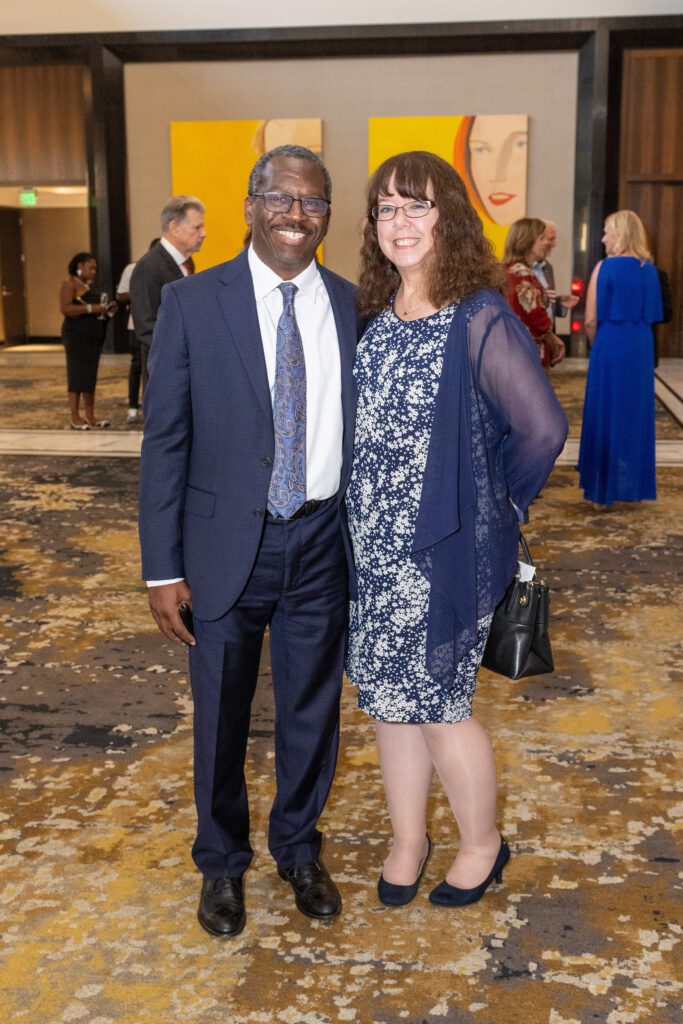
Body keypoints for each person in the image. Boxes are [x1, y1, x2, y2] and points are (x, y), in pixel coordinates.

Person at [138, 145, 361, 938]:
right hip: (221, 550)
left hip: (321, 544)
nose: (296, 215)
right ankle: (221, 864)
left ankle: (298, 848)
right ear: (250, 204)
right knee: (220, 718)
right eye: (281, 199)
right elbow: (165, 442)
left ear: (327, 215)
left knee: (311, 712)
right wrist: (161, 568)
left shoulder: (348, 301)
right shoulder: (195, 304)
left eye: (313, 202)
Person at [347, 151, 567, 910]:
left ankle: (481, 844)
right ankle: (408, 839)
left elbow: (539, 428)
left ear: (449, 219)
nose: (399, 223)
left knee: (440, 706)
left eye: (417, 206)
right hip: (371, 548)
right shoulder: (374, 317)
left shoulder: (476, 316)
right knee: (386, 699)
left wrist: (498, 507)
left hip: (442, 551)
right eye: (386, 208)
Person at [578, 210, 663, 510]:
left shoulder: (604, 267)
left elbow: (590, 319)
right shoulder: (648, 268)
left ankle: (602, 489)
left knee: (605, 413)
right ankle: (632, 485)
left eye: (606, 232)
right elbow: (653, 314)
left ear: (621, 234)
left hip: (610, 344)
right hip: (640, 346)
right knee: (634, 415)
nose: (602, 238)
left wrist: (596, 345)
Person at [130, 196, 206, 389]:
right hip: (164, 375)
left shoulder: (187, 263)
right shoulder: (148, 266)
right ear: (174, 227)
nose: (204, 234)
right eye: (197, 228)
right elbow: (146, 327)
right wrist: (187, 350)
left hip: (187, 372)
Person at [59, 252, 116, 429]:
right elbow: (66, 308)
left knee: (90, 375)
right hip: (75, 336)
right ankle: (74, 416)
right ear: (79, 266)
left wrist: (106, 311)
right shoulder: (69, 285)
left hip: (92, 337)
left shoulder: (89, 286)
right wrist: (93, 308)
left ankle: (90, 414)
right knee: (76, 374)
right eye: (90, 267)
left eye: (95, 268)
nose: (93, 272)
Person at [503, 218, 566, 367]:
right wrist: (552, 338)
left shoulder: (513, 269)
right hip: (526, 350)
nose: (546, 243)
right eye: (541, 238)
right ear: (527, 241)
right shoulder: (521, 272)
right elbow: (533, 314)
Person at [115, 239, 159, 423]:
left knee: (154, 369)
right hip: (136, 327)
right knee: (137, 366)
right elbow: (120, 294)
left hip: (158, 326)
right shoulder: (134, 268)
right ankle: (133, 406)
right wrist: (141, 292)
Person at [532, 219, 579, 328]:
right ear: (538, 239)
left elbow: (544, 307)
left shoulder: (547, 267)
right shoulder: (517, 270)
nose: (554, 244)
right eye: (551, 239)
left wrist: (558, 303)